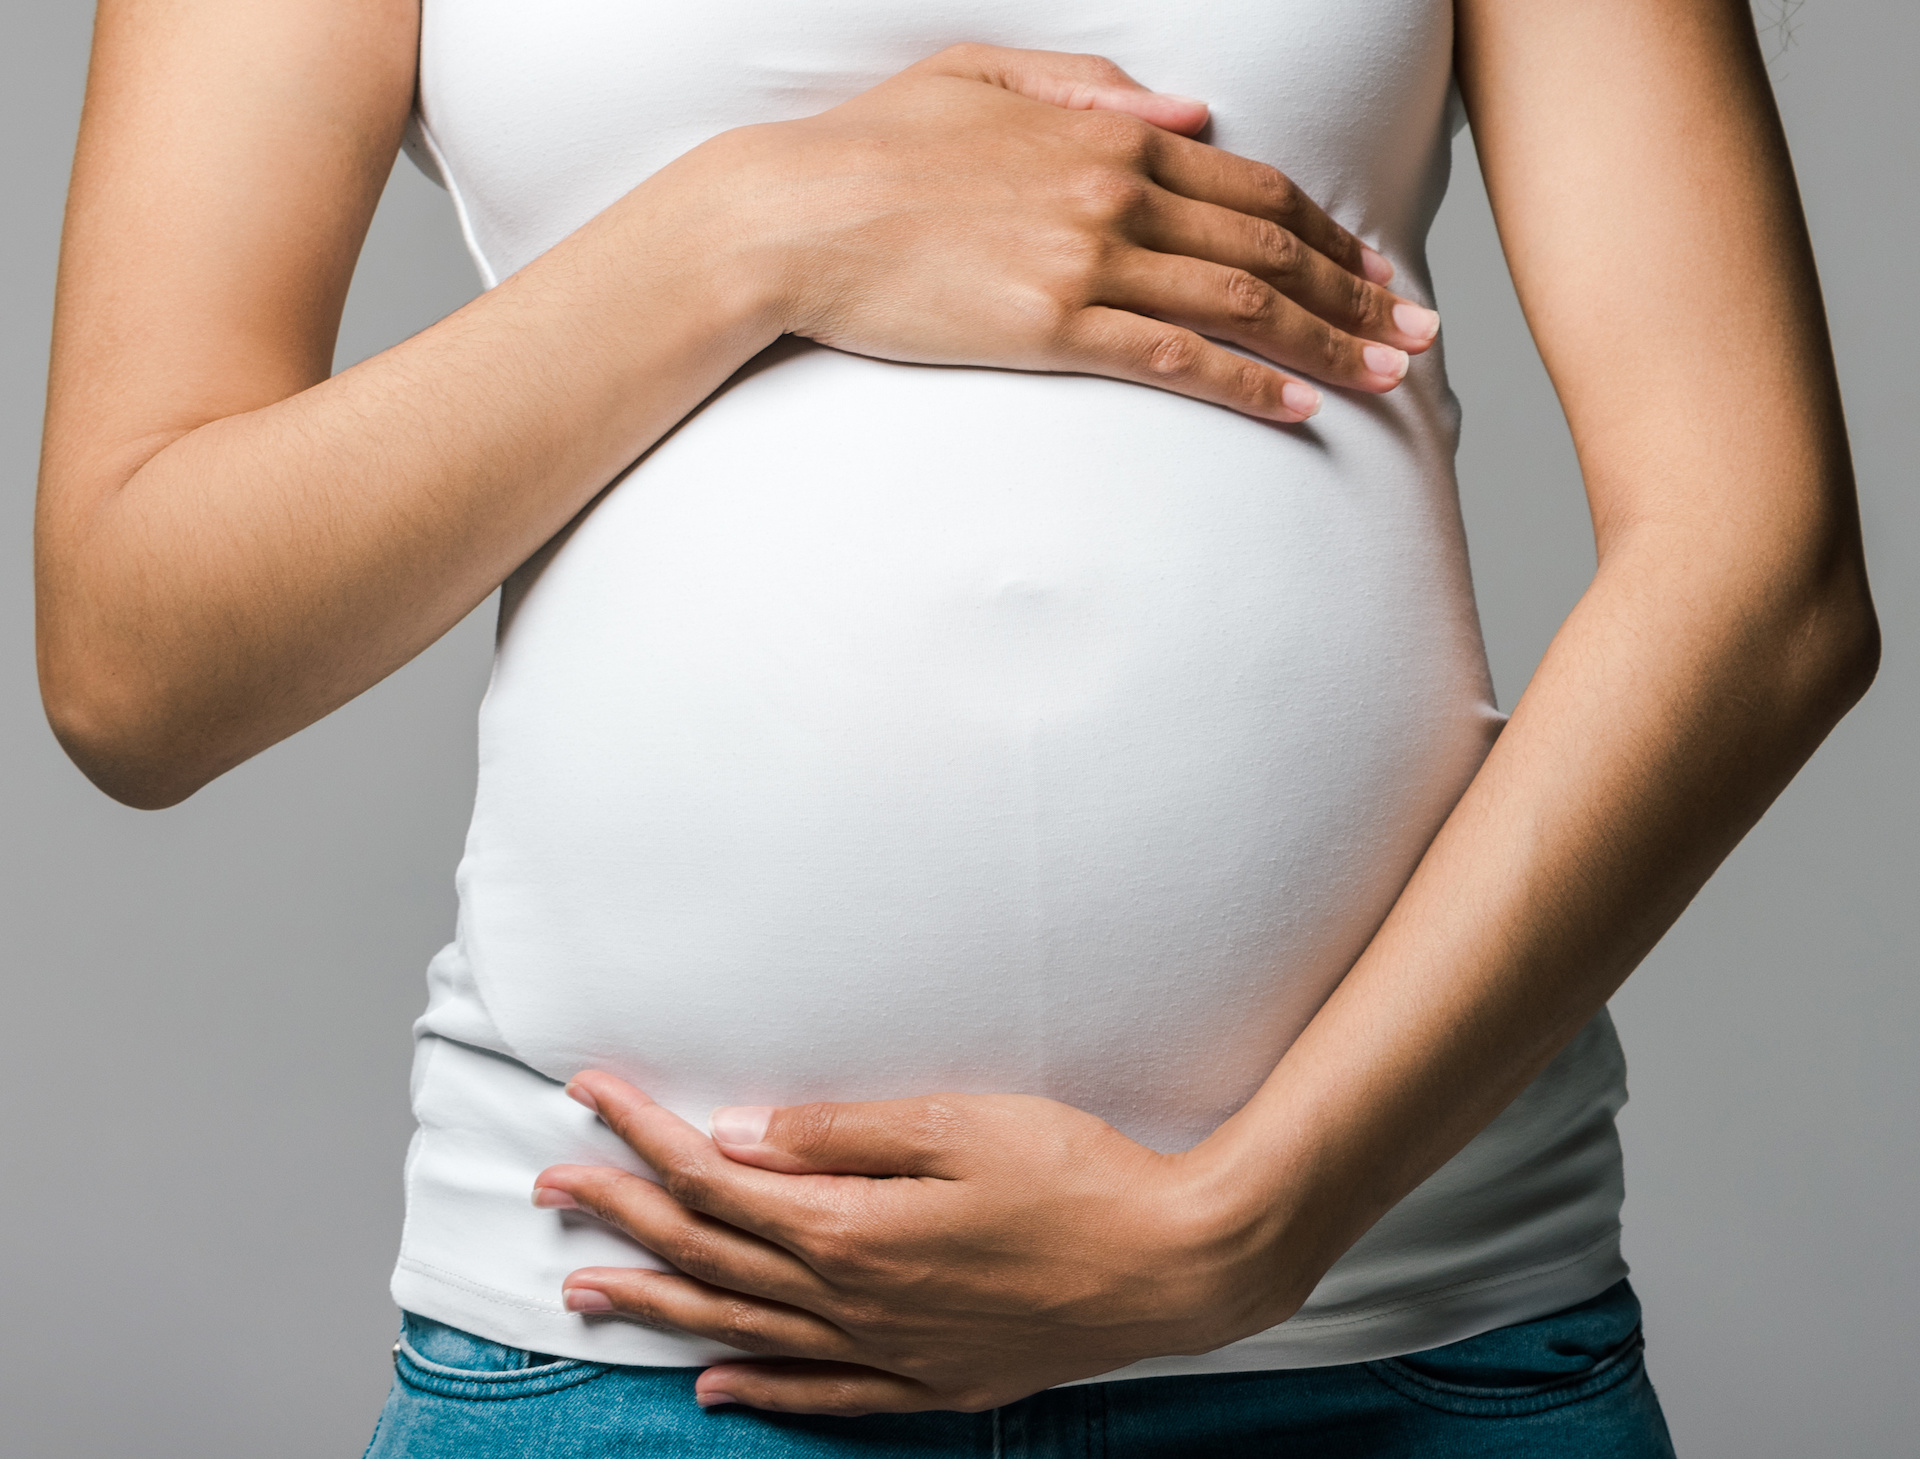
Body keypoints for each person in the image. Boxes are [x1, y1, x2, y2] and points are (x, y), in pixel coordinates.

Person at [35, 0, 1875, 1453]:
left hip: (1409, 1322)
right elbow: (139, 657)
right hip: (648, 1369)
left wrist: (1249, 1221)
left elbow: (1761, 571)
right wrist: (761, 224)